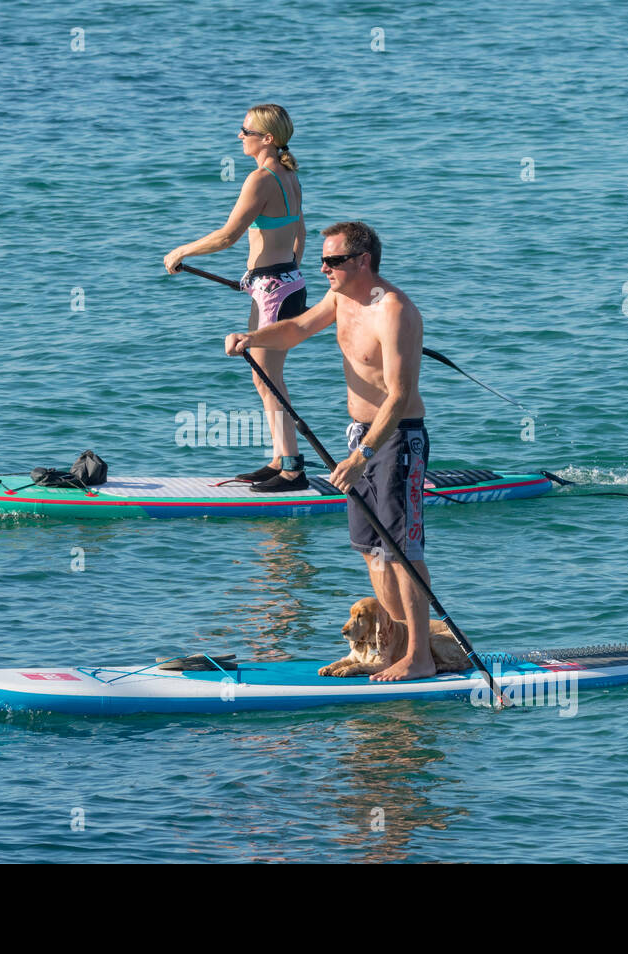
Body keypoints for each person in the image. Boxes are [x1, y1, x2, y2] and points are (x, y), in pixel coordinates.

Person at [225, 222, 435, 681]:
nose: (322, 268)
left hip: (397, 437)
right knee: (370, 549)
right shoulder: (340, 299)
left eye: (334, 261)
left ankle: (419, 656)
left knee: (402, 550)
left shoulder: (394, 310)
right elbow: (298, 327)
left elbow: (399, 395)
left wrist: (362, 455)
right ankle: (392, 647)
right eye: (322, 260)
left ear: (363, 261)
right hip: (358, 435)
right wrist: (252, 338)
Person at [164, 104, 308, 492]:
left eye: (246, 130)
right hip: (281, 285)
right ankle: (281, 458)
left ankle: (293, 470)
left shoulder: (261, 179)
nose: (239, 136)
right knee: (263, 378)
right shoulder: (290, 175)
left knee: (269, 378)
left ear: (268, 139)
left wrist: (182, 251)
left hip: (274, 292)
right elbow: (300, 232)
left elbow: (228, 236)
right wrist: (279, 273)